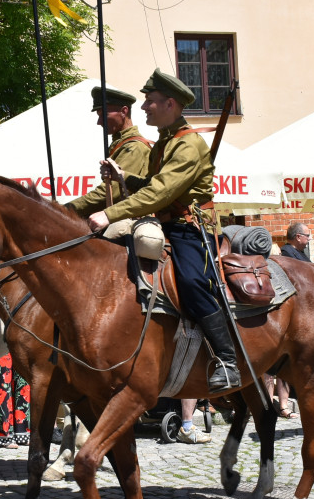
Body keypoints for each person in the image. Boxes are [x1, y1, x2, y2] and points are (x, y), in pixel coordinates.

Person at [86, 68, 240, 394]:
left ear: (170, 103)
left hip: (191, 230)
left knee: (192, 282)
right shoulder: (163, 145)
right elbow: (152, 186)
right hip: (167, 225)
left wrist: (108, 213)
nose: (144, 108)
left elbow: (160, 195)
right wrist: (122, 178)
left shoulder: (188, 145)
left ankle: (227, 361)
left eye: (150, 102)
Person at [67, 85, 152, 217]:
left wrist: (64, 210)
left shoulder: (134, 147)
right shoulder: (120, 143)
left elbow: (110, 192)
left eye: (103, 114)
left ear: (124, 111)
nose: (99, 122)